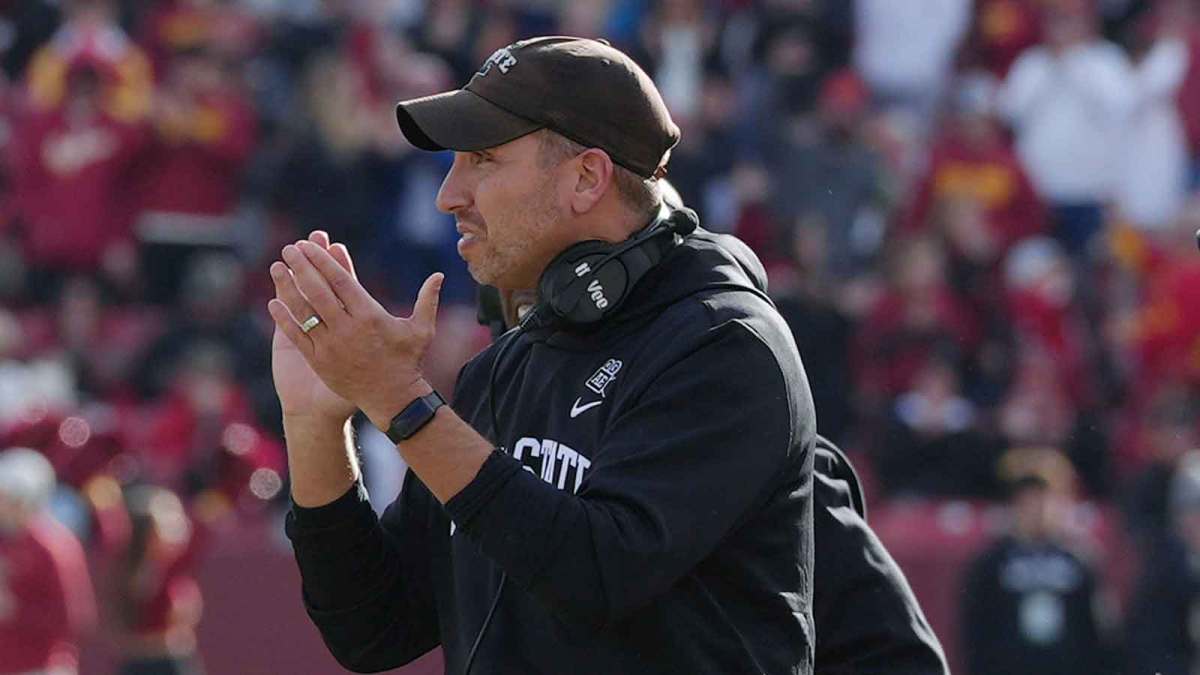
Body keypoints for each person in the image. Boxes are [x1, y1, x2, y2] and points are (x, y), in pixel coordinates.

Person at [273, 36, 817, 674]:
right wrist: (315, 426)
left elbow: (597, 574)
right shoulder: (505, 367)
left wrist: (399, 400)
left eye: (482, 159)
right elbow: (374, 629)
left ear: (586, 178)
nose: (448, 195)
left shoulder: (726, 347)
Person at [959, 467, 1111, 675]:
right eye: (1028, 503)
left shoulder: (1078, 561)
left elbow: (1099, 629)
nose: (1037, 511)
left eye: (1044, 502)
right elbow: (976, 630)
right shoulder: (992, 564)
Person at [0, 447, 96, 675]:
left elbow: (76, 618)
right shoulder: (6, 539)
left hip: (42, 666)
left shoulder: (54, 545)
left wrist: (18, 610)